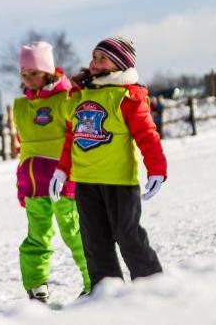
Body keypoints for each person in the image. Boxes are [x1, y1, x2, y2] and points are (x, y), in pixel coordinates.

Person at [49, 37, 166, 290]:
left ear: (120, 64)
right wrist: (61, 169)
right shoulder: (79, 96)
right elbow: (72, 138)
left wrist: (157, 169)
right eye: (93, 57)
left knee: (128, 236)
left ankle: (154, 287)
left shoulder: (127, 96)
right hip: (85, 182)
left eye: (102, 58)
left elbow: (147, 135)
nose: (94, 62)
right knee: (94, 241)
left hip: (118, 181)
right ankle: (107, 293)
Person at [12, 42, 91, 302]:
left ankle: (94, 280)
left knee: (74, 231)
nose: (27, 79)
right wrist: (21, 183)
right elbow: (24, 149)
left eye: (32, 72)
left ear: (47, 71)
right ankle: (36, 285)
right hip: (34, 183)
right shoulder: (22, 107)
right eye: (23, 74)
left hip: (63, 181)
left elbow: (76, 138)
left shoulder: (66, 99)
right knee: (37, 235)